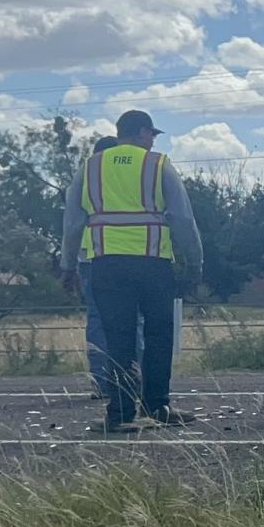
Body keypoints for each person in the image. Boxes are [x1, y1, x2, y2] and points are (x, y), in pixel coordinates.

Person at [61, 110, 203, 432]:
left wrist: (67, 265)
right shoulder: (158, 165)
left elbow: (72, 223)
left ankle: (121, 413)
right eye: (152, 134)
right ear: (141, 132)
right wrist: (195, 262)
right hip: (153, 263)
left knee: (118, 338)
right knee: (158, 336)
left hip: (107, 264)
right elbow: (182, 219)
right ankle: (158, 406)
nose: (153, 140)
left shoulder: (90, 167)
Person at [74, 135, 143, 401]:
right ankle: (133, 379)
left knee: (97, 320)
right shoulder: (130, 177)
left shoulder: (86, 178)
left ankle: (102, 381)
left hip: (90, 256)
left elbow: (73, 221)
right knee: (133, 319)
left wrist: (67, 262)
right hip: (127, 255)